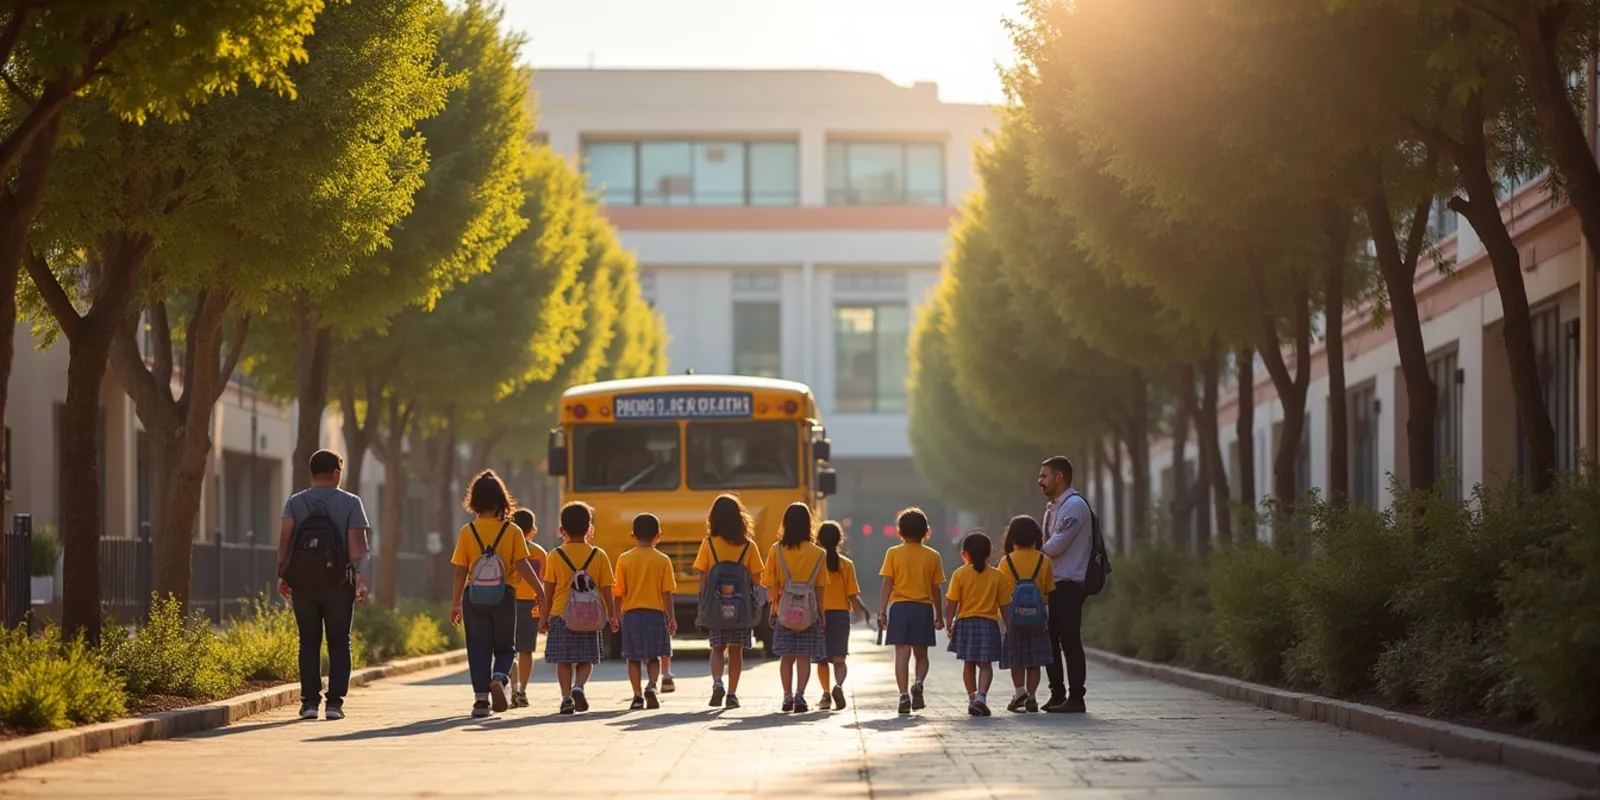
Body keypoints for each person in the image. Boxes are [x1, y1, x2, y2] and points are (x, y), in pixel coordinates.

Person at [278, 449, 371, 721]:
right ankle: (334, 704)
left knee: (308, 641)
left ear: (312, 472)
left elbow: (285, 538)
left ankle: (309, 704)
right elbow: (357, 548)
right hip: (338, 583)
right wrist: (360, 580)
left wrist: (282, 573)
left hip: (303, 583)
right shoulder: (351, 502)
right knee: (339, 641)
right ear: (336, 474)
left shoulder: (295, 502)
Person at [448, 471, 545, 719]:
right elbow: (522, 565)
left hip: (473, 597)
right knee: (505, 647)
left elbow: (460, 571)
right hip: (504, 596)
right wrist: (540, 591)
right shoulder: (512, 530)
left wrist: (456, 604)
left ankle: (481, 701)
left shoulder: (467, 531)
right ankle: (500, 679)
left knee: (477, 648)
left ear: (474, 500)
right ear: (502, 498)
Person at [540, 501, 617, 715]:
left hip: (560, 615)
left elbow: (548, 590)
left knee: (563, 660)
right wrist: (612, 615)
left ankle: (566, 697)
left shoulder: (555, 555)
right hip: (590, 615)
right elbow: (607, 589)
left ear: (562, 529)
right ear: (589, 528)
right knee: (587, 658)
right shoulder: (599, 555)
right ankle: (579, 687)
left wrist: (543, 617)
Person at [693, 493, 765, 709]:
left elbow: (702, 578)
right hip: (740, 609)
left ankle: (717, 683)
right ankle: (732, 694)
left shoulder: (708, 544)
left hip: (716, 606)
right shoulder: (749, 546)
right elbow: (757, 580)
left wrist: (704, 603)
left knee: (717, 647)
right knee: (736, 650)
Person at [763, 503, 830, 713]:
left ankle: (787, 696)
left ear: (786, 524)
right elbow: (820, 587)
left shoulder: (776, 550)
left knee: (786, 657)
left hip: (784, 611)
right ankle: (800, 696)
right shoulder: (819, 553)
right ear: (808, 524)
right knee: (803, 656)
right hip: (808, 612)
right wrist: (821, 613)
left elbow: (771, 585)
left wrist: (773, 609)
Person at [878, 508, 946, 715]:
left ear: (899, 532)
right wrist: (939, 615)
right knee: (921, 655)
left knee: (902, 654)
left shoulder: (893, 553)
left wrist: (882, 611)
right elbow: (936, 589)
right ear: (926, 532)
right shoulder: (933, 556)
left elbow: (887, 583)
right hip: (923, 609)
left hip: (900, 608)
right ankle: (918, 683)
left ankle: (903, 696)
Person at [1039, 455, 1092, 713]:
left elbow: (1055, 546)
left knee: (1069, 640)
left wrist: (1033, 551)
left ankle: (1076, 697)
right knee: (1049, 640)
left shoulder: (1074, 506)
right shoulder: (1053, 507)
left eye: (1044, 476)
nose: (1040, 481)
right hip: (1054, 584)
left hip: (1069, 584)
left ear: (1058, 477)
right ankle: (1057, 693)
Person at [613, 513, 677, 710]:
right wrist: (671, 618)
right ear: (658, 535)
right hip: (656, 614)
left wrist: (614, 615)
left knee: (633, 657)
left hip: (631, 615)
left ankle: (637, 695)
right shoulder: (663, 560)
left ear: (633, 535)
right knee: (654, 656)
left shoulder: (624, 559)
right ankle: (652, 685)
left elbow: (619, 593)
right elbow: (666, 593)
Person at [945, 532, 1006, 717]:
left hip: (966, 623)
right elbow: (1005, 604)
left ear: (965, 554)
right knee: (985, 664)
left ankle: (972, 699)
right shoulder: (998, 575)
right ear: (989, 553)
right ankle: (981, 697)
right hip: (988, 623)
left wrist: (949, 622)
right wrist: (1009, 625)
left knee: (968, 663)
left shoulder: (960, 574)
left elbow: (952, 601)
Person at [999, 515, 1056, 713]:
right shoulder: (1044, 560)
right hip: (1037, 620)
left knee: (1017, 659)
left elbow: (1002, 592)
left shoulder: (1005, 562)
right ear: (1036, 538)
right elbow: (1048, 593)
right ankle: (1032, 696)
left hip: (1013, 619)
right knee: (1034, 660)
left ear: (1012, 538)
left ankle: (1019, 691)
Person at [814, 520, 870, 711]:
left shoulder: (815, 564)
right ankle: (838, 686)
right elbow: (852, 595)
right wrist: (860, 610)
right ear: (840, 540)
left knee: (822, 659)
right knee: (839, 659)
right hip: (840, 616)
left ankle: (826, 694)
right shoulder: (846, 564)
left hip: (819, 614)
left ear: (818, 539)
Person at [507, 509, 548, 709]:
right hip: (531, 604)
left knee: (507, 648)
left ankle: (510, 687)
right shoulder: (540, 554)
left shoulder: (506, 550)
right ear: (533, 530)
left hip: (506, 602)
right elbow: (544, 582)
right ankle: (521, 690)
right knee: (526, 650)